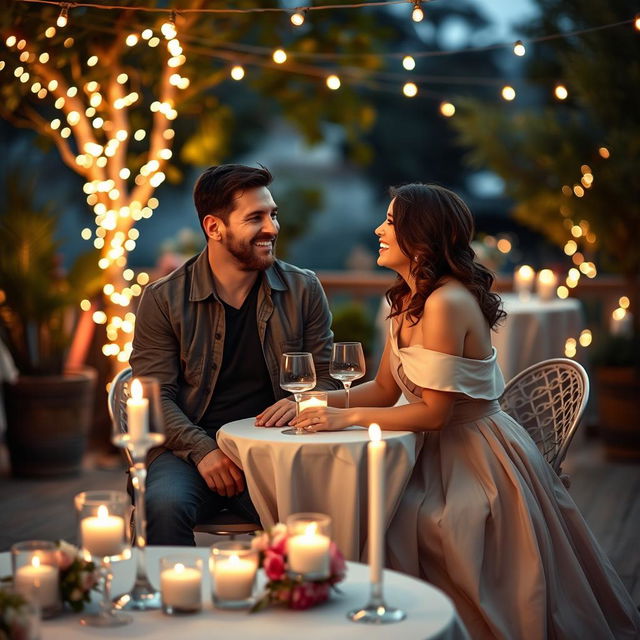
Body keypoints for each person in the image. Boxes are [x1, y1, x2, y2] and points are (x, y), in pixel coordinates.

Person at [282, 184, 640, 639]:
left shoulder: (445, 302)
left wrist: (344, 418)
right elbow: (382, 389)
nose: (378, 229)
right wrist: (308, 400)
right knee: (371, 512)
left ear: (422, 236)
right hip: (429, 450)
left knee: (406, 522)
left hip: (476, 456)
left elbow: (434, 414)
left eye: (390, 222)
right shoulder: (404, 302)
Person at [131, 164, 337, 546]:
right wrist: (203, 451)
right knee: (161, 505)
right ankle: (173, 602)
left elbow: (326, 375)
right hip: (187, 452)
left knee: (322, 518)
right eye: (255, 218)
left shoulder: (303, 288)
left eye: (273, 215)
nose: (272, 228)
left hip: (275, 450)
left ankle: (295, 602)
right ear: (214, 228)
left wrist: (303, 402)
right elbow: (153, 397)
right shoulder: (163, 299)